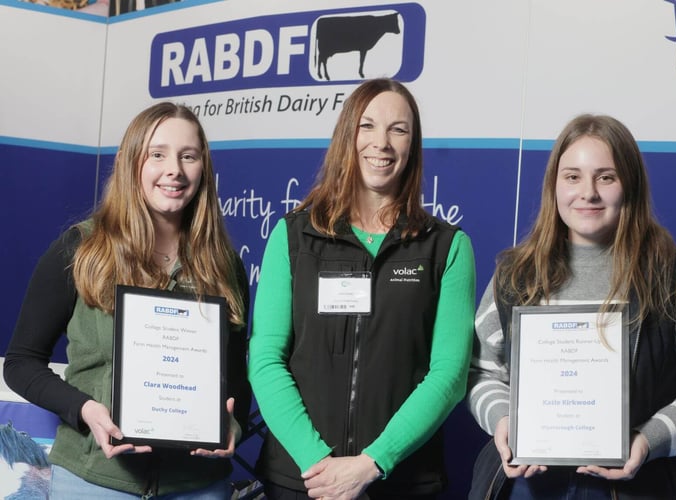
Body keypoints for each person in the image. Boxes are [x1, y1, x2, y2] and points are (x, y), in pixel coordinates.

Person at [467, 113, 676, 499]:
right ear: (554, 186)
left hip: (636, 489)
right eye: (572, 177)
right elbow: (482, 374)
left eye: (606, 177)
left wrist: (648, 440)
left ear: (629, 185)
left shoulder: (674, 278)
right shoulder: (516, 277)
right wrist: (503, 420)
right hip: (527, 486)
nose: (588, 193)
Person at [3, 102, 252, 498]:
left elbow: (236, 378)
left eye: (188, 156)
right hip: (92, 482)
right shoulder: (82, 249)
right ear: (130, 162)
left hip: (198, 487)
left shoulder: (224, 266)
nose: (174, 169)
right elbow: (20, 362)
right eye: (157, 154)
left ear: (203, 168)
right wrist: (86, 410)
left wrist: (231, 424)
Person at [249, 78, 476, 500]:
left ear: (413, 145)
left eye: (399, 129)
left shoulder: (448, 247)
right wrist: (318, 463)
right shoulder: (293, 236)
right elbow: (265, 358)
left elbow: (449, 375)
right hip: (301, 481)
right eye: (367, 126)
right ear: (347, 135)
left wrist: (372, 464)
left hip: (400, 482)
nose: (382, 143)